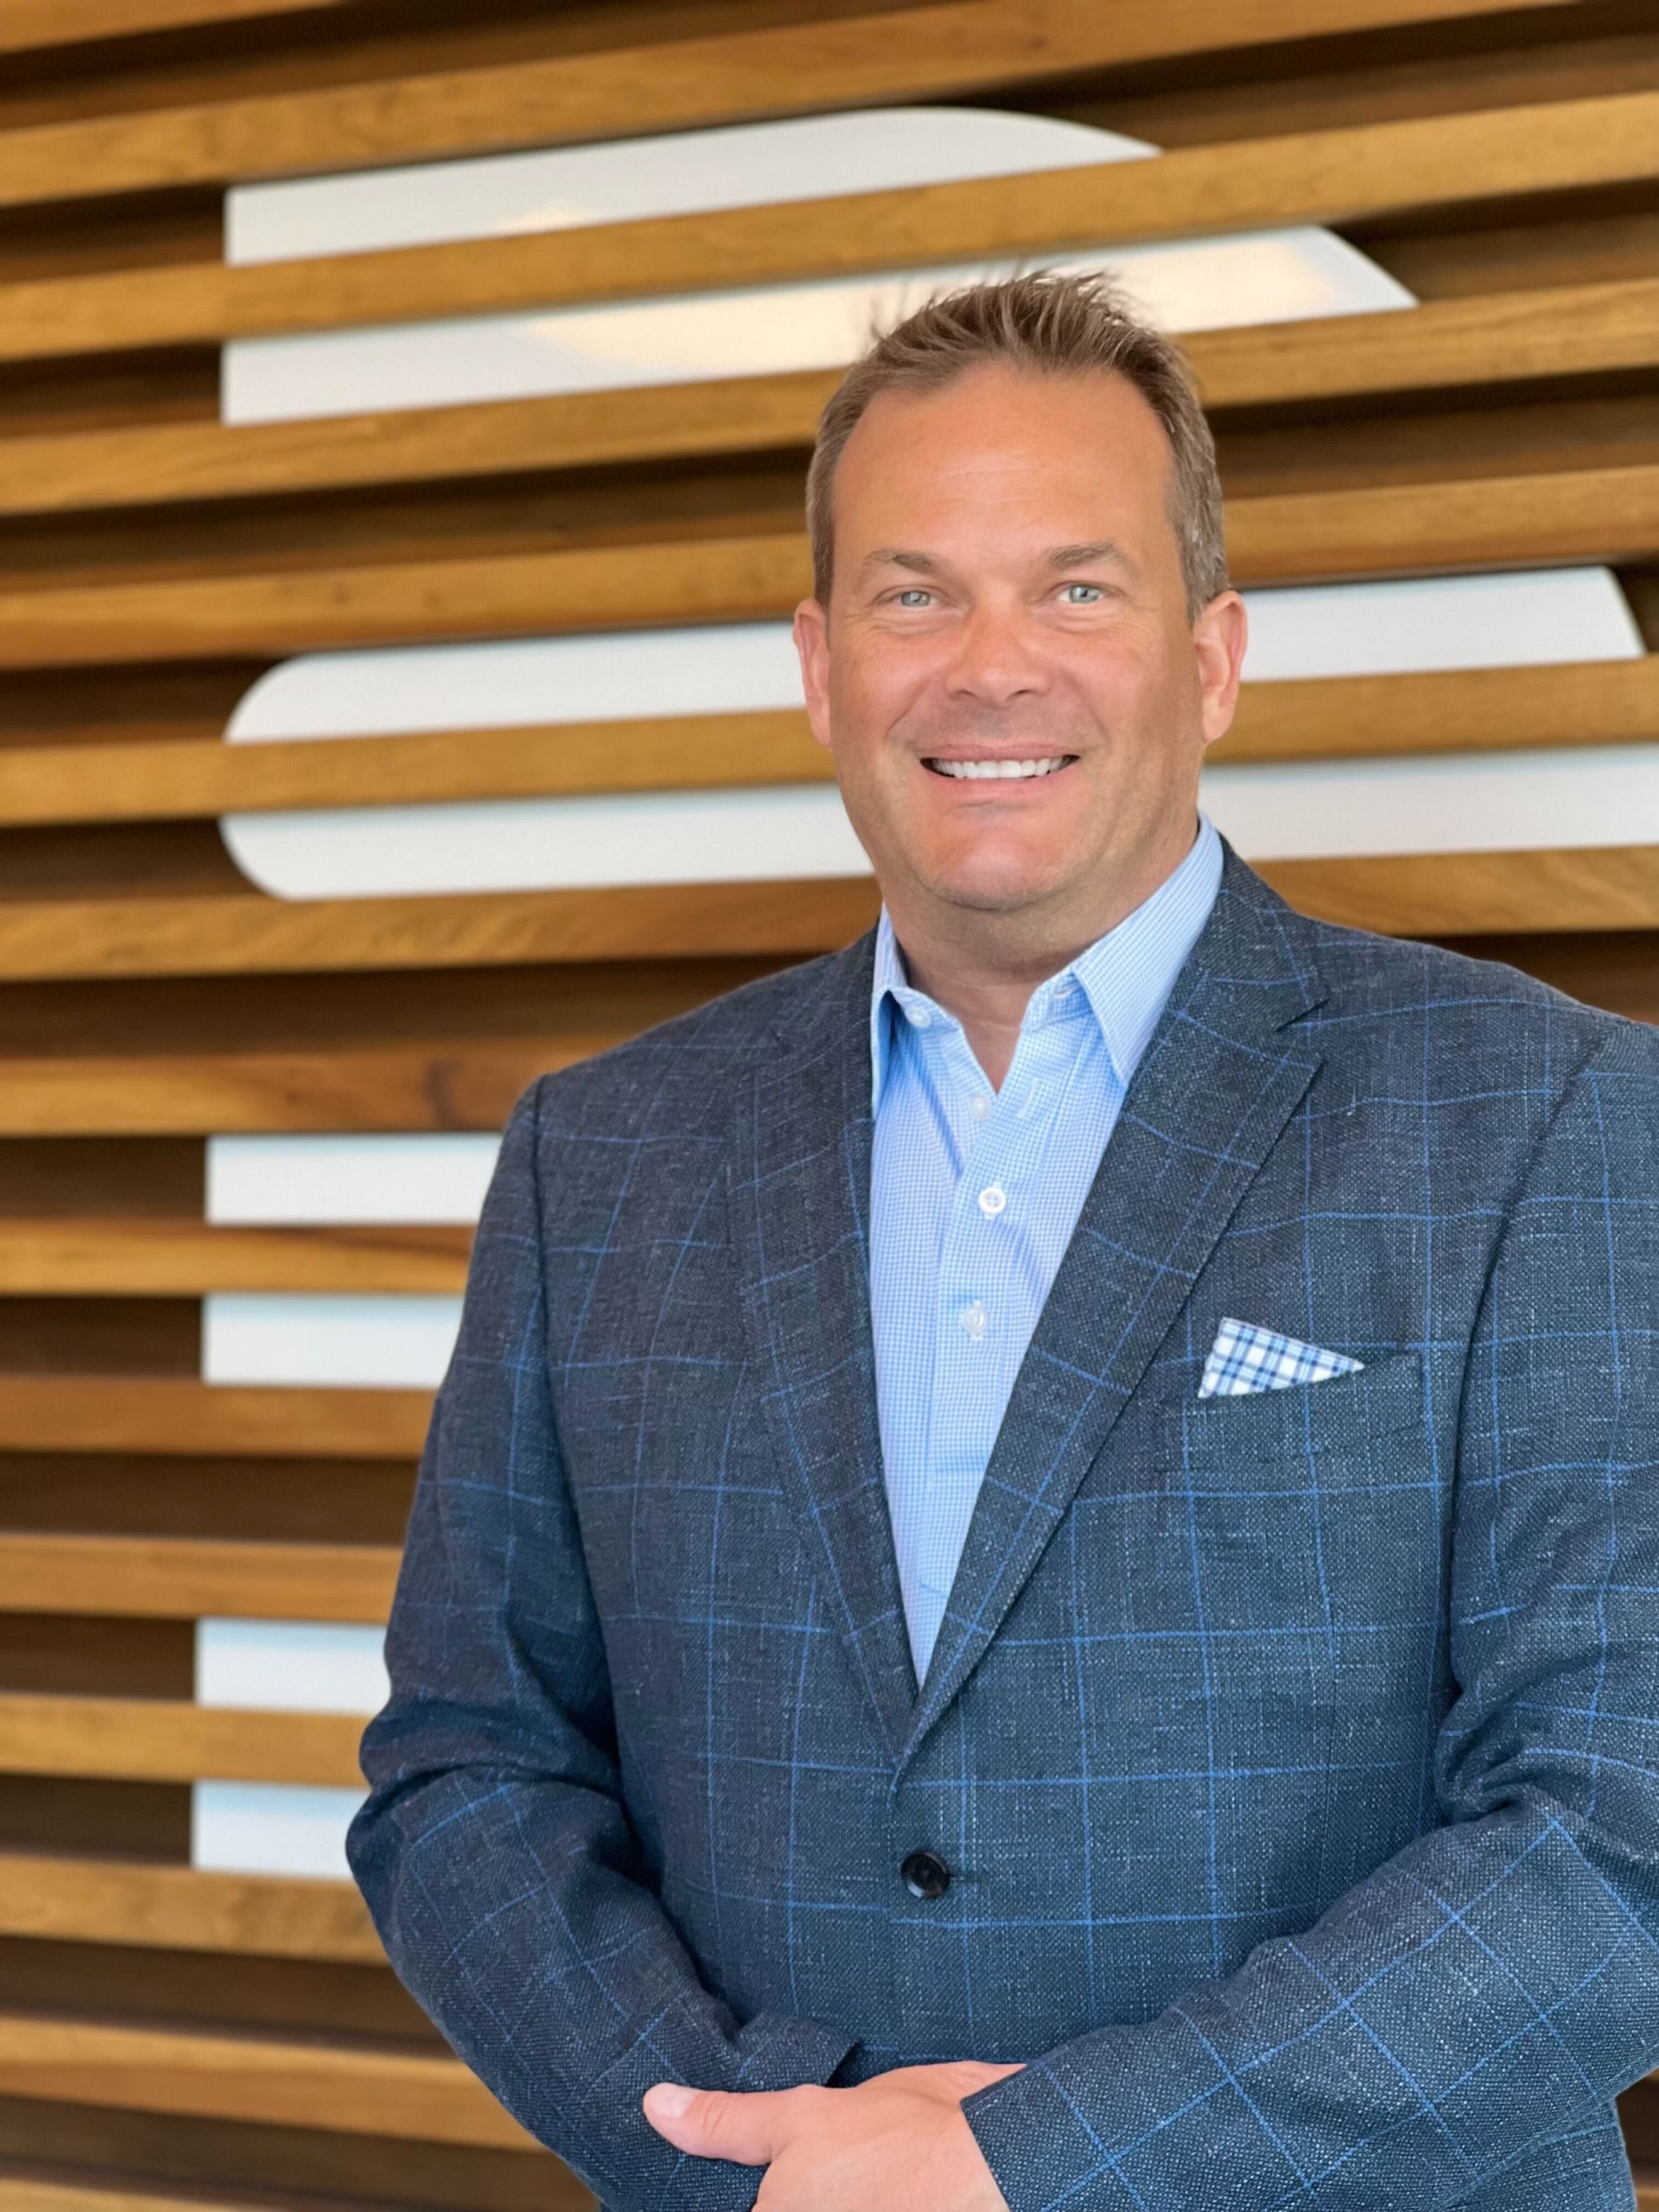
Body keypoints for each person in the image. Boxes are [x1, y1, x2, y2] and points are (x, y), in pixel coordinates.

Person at [348, 271, 1659, 2212]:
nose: (990, 668)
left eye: (1075, 588)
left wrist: (1029, 2167)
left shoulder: (1548, 1115)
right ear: (819, 666)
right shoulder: (600, 1156)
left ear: (1209, 657)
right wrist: (767, 2163)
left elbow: (1615, 1835)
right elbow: (470, 1768)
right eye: (913, 595)